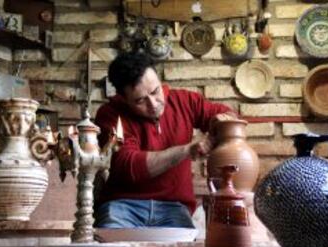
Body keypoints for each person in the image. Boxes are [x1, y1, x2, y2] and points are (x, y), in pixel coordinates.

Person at [94, 52, 237, 228]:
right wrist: (186, 150)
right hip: (123, 206)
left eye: (155, 91)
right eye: (140, 100)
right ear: (123, 98)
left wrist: (220, 124)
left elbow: (230, 116)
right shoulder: (110, 114)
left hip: (174, 207)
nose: (153, 104)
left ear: (159, 80)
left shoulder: (185, 101)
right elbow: (131, 165)